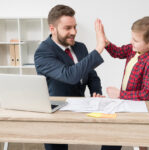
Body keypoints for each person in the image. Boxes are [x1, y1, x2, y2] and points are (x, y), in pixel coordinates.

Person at [34, 5, 106, 150]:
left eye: (75, 27)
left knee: (111, 135)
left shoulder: (80, 47)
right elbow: (70, 76)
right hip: (56, 113)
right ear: (52, 29)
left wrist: (95, 92)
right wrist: (99, 48)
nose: (73, 32)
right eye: (68, 28)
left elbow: (92, 75)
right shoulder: (42, 52)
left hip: (81, 106)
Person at [97, 16, 149, 150]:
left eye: (135, 40)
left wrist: (120, 94)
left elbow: (148, 94)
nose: (131, 42)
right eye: (132, 38)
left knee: (136, 137)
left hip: (140, 108)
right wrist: (105, 42)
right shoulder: (135, 49)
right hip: (127, 102)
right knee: (113, 135)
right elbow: (117, 52)